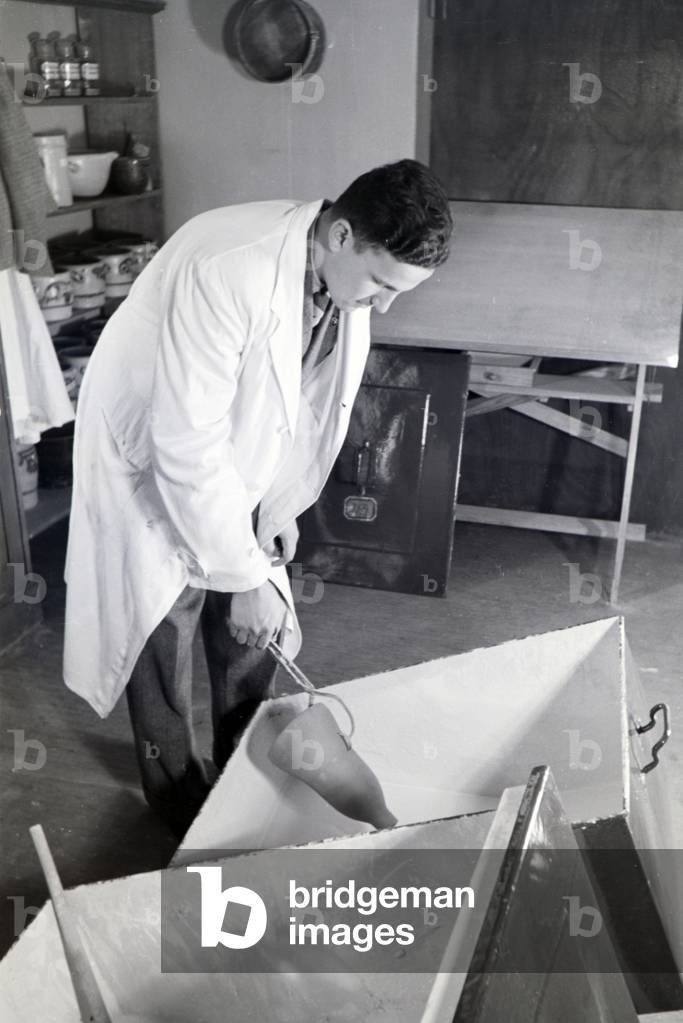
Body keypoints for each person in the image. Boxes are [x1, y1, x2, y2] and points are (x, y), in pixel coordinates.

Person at [63, 159, 453, 836]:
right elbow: (185, 443)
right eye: (384, 284)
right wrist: (239, 572)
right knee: (166, 619)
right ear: (339, 235)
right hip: (150, 448)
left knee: (256, 620)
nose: (385, 305)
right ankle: (179, 795)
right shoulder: (230, 266)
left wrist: (276, 505)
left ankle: (249, 759)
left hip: (226, 441)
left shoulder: (339, 280)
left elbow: (301, 403)